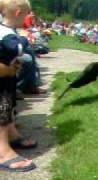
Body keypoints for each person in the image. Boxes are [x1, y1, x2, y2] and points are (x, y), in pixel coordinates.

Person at [0, 0, 36, 172]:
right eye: (26, 14)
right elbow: (16, 49)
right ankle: (2, 152)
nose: (28, 18)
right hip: (2, 80)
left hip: (7, 77)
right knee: (2, 113)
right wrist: (24, 38)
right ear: (17, 13)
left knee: (8, 109)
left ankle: (11, 135)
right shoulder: (7, 33)